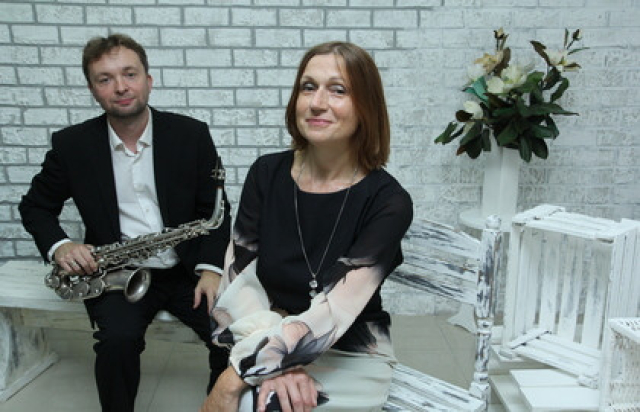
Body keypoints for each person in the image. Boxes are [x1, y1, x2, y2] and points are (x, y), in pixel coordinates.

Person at [19, 33, 231, 412]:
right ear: (92, 90)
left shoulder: (191, 135)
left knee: (230, 335)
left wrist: (212, 270)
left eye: (130, 74)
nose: (120, 87)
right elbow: (35, 206)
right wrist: (61, 246)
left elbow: (216, 211)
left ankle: (219, 404)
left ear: (148, 81)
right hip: (117, 272)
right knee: (117, 342)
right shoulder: (72, 145)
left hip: (188, 270)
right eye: (105, 79)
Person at [200, 41, 413, 412]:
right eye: (308, 87)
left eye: (338, 90)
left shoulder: (388, 202)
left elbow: (334, 312)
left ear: (366, 107)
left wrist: (236, 376)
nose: (317, 103)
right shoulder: (266, 174)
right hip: (264, 330)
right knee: (259, 400)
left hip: (350, 349)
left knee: (255, 402)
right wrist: (273, 362)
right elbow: (237, 281)